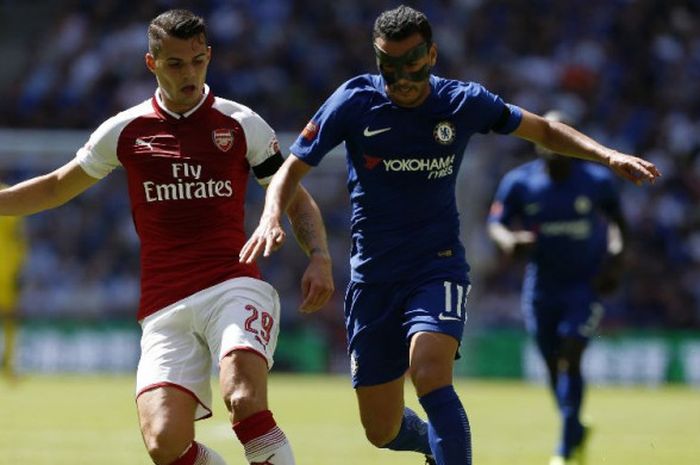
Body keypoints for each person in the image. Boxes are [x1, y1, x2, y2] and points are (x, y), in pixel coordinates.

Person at [239, 5, 659, 465]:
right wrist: (270, 217)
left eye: (411, 65)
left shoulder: (463, 102)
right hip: (373, 277)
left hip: (436, 266)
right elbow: (290, 170)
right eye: (388, 67)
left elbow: (544, 128)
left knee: (430, 371)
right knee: (380, 430)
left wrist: (607, 155)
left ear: (432, 54)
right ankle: (431, 448)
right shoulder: (353, 101)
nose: (399, 78)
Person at [0, 9, 334, 465]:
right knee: (163, 443)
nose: (190, 74)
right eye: (176, 64)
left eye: (198, 61)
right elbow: (58, 185)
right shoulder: (126, 131)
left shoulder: (240, 123)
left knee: (242, 395)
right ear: (151, 63)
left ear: (209, 56)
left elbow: (292, 194)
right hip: (164, 303)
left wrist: (319, 255)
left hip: (231, 285)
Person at [487, 110, 626, 465]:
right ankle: (575, 426)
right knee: (552, 364)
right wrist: (508, 240)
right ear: (538, 144)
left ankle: (564, 447)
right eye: (548, 140)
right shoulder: (519, 183)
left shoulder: (596, 180)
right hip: (541, 287)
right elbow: (496, 223)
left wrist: (616, 254)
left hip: (584, 284)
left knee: (572, 352)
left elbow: (617, 222)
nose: (556, 148)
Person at [0, 182, 27, 381]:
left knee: (10, 318)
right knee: (10, 318)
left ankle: (10, 366)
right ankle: (10, 367)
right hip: (7, 267)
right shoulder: (9, 194)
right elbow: (20, 237)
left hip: (7, 267)